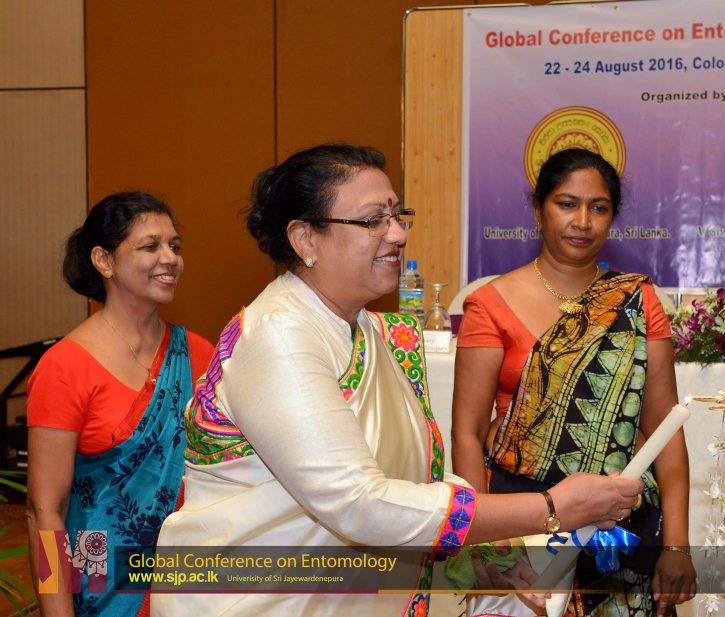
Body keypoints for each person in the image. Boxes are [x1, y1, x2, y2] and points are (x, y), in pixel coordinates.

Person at [151, 144, 643, 616]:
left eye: (396, 215)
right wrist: (551, 507)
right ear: (305, 240)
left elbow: (410, 480)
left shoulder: (368, 331)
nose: (397, 234)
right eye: (372, 221)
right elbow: (359, 503)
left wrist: (487, 550)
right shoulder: (279, 337)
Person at [452, 148, 697, 617]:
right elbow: (467, 431)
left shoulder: (638, 301)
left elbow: (665, 428)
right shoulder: (490, 304)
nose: (582, 221)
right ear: (538, 210)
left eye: (598, 208)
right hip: (521, 518)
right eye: (567, 204)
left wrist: (677, 545)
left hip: (619, 524)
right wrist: (485, 537)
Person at [26, 192, 214, 616]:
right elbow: (45, 511)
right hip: (95, 580)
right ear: (104, 260)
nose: (170, 258)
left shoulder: (198, 355)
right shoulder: (65, 367)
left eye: (175, 246)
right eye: (150, 246)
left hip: (184, 581)